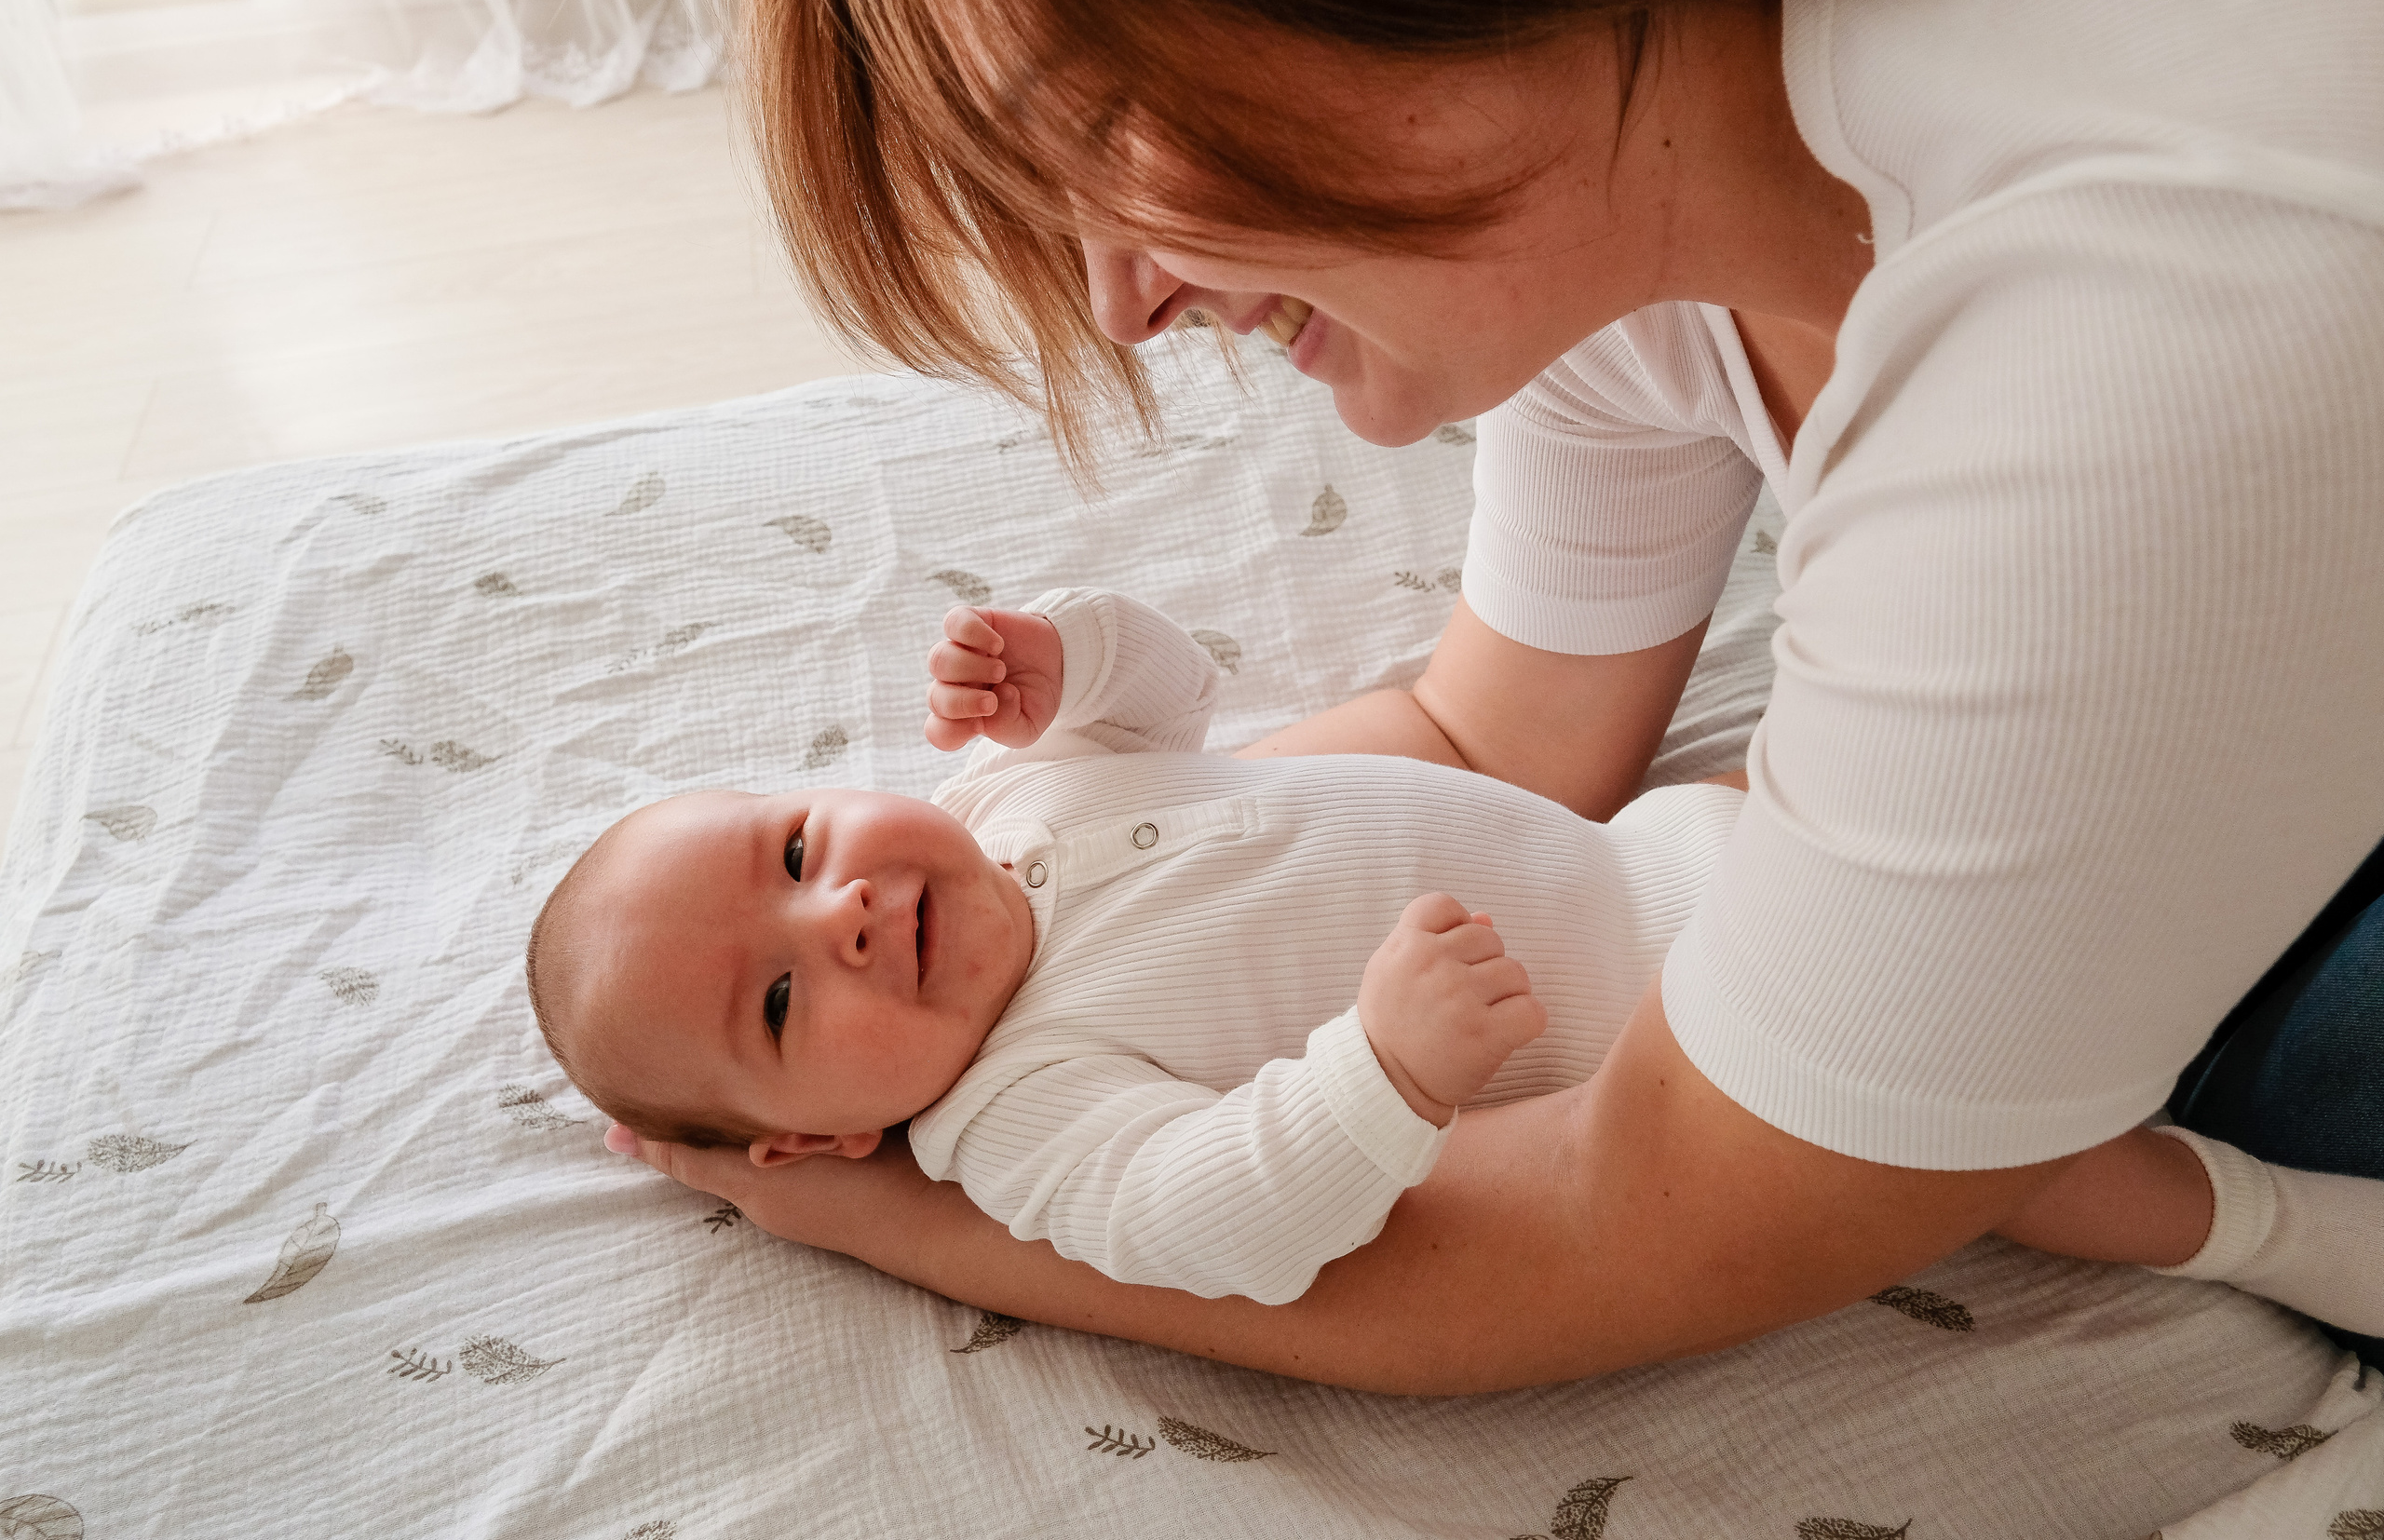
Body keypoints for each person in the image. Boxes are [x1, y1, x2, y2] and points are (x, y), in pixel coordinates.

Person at [610, 0, 2384, 1386]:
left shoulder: (2112, 387)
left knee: (2158, 1117)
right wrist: (1119, 902)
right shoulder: (1633, 198)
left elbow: (1659, 1220)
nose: (1120, 307)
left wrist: (901, 1220)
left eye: (1101, 134)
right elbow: (1492, 738)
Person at [547, 590, 2384, 1335]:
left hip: (1672, 850)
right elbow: (1211, 1220)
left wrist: (1071, 659)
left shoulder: (1006, 795)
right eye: (779, 1000)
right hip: (1721, 1034)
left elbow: (1174, 709)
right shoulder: (1013, 1121)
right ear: (813, 1141)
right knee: (1992, 1147)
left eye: (796, 849)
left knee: (1975, 774)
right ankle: (2275, 1230)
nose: (842, 914)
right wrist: (1381, 1074)